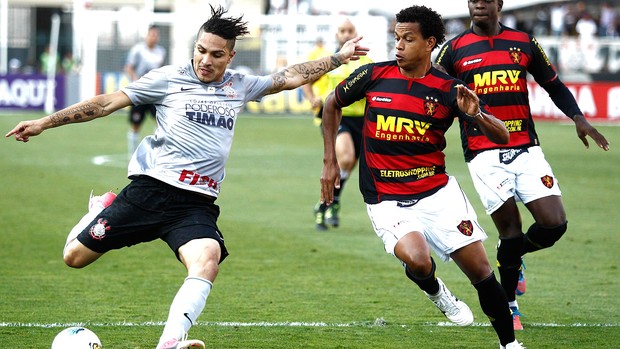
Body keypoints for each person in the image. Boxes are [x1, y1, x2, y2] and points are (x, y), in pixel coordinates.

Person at [6, 5, 369, 349]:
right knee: (74, 257)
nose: (205, 60)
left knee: (207, 258)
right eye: (200, 50)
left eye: (215, 54)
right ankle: (98, 210)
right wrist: (44, 122)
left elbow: (290, 76)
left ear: (230, 57)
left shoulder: (239, 85)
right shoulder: (167, 79)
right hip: (149, 192)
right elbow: (103, 104)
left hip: (195, 204)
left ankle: (170, 340)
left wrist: (339, 56)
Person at [320, 5, 523, 349]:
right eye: (396, 38)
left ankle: (510, 345)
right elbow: (330, 103)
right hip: (386, 198)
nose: (398, 45)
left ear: (430, 43)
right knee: (417, 258)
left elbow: (502, 135)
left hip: (437, 194)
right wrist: (329, 161)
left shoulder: (449, 88)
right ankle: (436, 292)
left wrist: (478, 116)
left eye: (408, 39)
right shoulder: (374, 75)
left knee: (481, 272)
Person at [435, 0, 610, 331]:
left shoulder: (524, 43)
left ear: (499, 4)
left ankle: (512, 256)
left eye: (486, 0)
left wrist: (579, 119)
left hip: (526, 148)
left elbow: (553, 84)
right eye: (473, 1)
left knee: (554, 225)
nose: (479, 6)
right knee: (511, 231)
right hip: (483, 152)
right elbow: (437, 94)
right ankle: (510, 303)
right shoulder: (453, 50)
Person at [303, 17, 373, 231]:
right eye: (342, 30)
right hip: (335, 117)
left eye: (349, 30)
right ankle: (328, 203)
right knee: (346, 157)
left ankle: (328, 203)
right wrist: (311, 98)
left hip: (362, 120)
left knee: (348, 165)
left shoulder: (367, 62)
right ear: (336, 35)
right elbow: (307, 80)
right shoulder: (331, 60)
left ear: (355, 33)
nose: (345, 34)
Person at [125, 24, 167, 158]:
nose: (154, 37)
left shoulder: (161, 51)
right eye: (152, 34)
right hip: (140, 93)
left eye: (157, 35)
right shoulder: (137, 50)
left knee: (160, 123)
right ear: (147, 35)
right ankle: (132, 154)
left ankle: (156, 153)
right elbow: (129, 67)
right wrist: (136, 80)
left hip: (154, 95)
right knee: (136, 124)